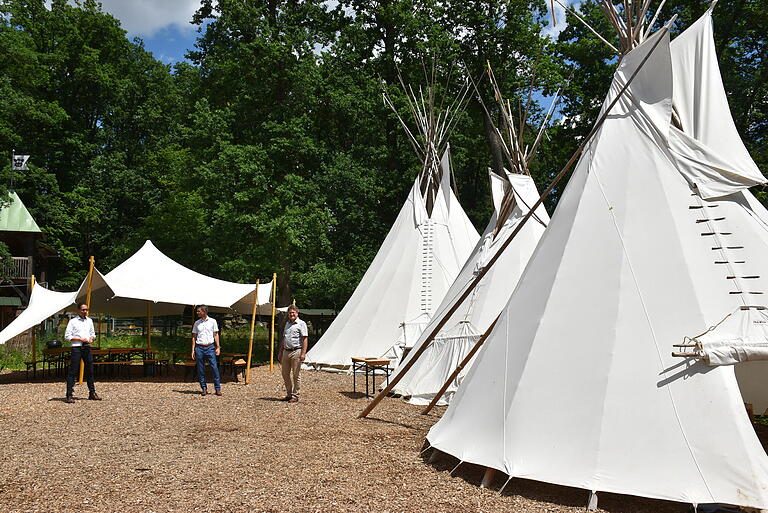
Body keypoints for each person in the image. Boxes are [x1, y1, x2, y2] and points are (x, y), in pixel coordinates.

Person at [64, 303, 101, 403]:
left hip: (87, 347)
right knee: (73, 371)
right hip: (76, 347)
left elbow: (93, 333)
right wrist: (79, 339)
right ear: (78, 310)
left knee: (90, 370)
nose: (85, 311)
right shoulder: (73, 322)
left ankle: (92, 392)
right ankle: (69, 394)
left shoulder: (89, 321)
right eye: (83, 310)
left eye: (86, 310)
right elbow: (67, 336)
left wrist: (92, 338)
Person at [278, 305, 308, 403]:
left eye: (293, 313)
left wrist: (303, 353)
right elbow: (284, 339)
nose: (291, 314)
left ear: (297, 313)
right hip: (286, 351)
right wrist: (280, 352)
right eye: (290, 313)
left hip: (296, 351)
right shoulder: (287, 324)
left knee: (296, 375)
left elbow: (305, 339)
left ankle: (295, 395)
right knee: (285, 374)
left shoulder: (301, 324)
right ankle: (289, 394)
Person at [192, 305, 222, 396]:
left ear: (204, 312)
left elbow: (216, 334)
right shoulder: (197, 323)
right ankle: (204, 388)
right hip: (199, 347)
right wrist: (193, 349)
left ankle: (217, 388)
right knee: (200, 369)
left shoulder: (213, 321)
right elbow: (194, 336)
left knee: (214, 368)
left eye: (198, 311)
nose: (197, 313)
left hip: (210, 347)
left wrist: (218, 347)